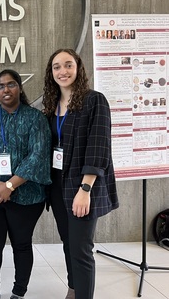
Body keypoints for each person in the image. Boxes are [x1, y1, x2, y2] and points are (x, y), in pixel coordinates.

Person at [42, 49, 119, 299]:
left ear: (78, 68)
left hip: (82, 187)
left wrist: (85, 190)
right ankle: (73, 290)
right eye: (56, 67)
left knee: (81, 249)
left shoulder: (94, 100)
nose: (62, 71)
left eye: (68, 65)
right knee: (69, 245)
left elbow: (99, 147)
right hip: (57, 187)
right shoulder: (51, 105)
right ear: (51, 73)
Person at [0, 69, 51, 299]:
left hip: (26, 196)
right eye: (1, 86)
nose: (6, 90)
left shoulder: (35, 119)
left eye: (11, 84)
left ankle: (18, 292)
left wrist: (9, 186)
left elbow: (37, 156)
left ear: (19, 87)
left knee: (22, 245)